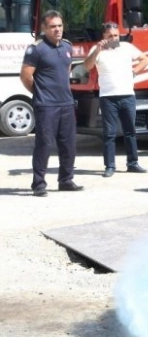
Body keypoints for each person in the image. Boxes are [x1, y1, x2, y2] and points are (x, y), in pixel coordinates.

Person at [20, 10, 83, 197]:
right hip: (46, 105)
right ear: (44, 28)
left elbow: (67, 71)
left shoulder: (67, 47)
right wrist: (40, 93)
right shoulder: (36, 49)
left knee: (69, 144)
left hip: (66, 103)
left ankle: (66, 180)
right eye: (53, 26)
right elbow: (25, 76)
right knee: (44, 144)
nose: (57, 29)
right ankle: (38, 184)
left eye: (60, 26)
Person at [83, 22, 148, 178]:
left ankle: (133, 163)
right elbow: (87, 66)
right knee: (109, 133)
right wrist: (97, 50)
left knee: (130, 131)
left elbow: (145, 59)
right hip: (108, 97)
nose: (114, 38)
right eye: (110, 36)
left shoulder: (127, 47)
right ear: (104, 37)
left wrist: (135, 71)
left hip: (127, 95)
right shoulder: (97, 49)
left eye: (116, 35)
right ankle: (110, 166)